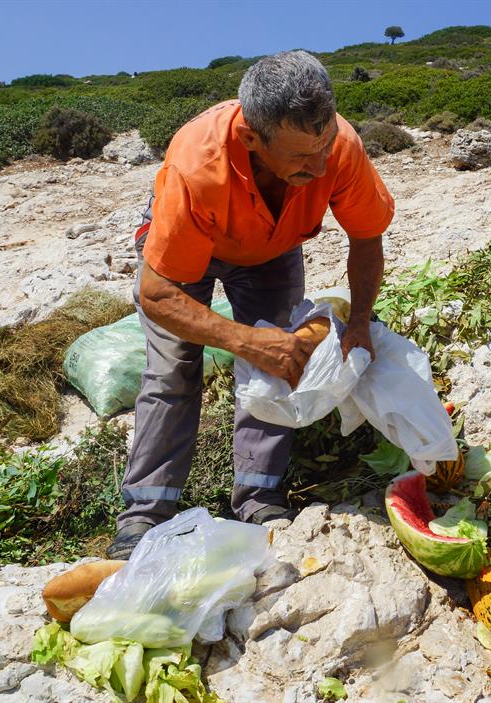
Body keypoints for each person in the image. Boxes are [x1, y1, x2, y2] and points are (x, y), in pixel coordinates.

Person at [107, 51, 394, 559]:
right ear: (251, 139)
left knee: (281, 364)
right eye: (303, 157)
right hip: (186, 256)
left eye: (324, 147)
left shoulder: (338, 147)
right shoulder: (197, 164)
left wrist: (361, 323)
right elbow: (157, 295)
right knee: (173, 370)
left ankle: (259, 496)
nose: (321, 164)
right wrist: (245, 341)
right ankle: (145, 512)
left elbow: (367, 237)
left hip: (271, 248)